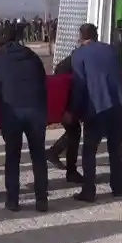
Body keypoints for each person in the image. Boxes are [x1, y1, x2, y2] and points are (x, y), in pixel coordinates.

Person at [0, 26, 49, 212]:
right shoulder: (33, 56)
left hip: (12, 113)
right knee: (38, 155)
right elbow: (43, 82)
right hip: (36, 110)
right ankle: (42, 200)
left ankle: (13, 200)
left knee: (12, 156)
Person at [64, 23, 122, 202]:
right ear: (96, 35)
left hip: (96, 107)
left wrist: (72, 111)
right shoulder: (111, 50)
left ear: (81, 37)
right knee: (115, 148)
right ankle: (117, 187)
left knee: (89, 150)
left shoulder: (78, 55)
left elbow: (79, 85)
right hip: (117, 104)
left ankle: (89, 191)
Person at [45, 52, 84, 184]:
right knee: (74, 131)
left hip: (66, 102)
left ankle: (54, 152)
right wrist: (68, 109)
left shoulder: (70, 61)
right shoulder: (72, 64)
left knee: (74, 131)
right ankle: (71, 171)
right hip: (65, 103)